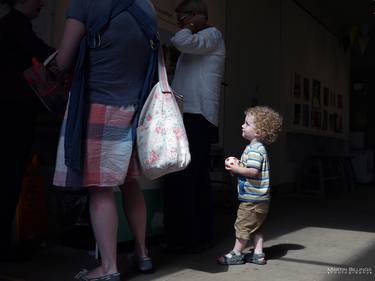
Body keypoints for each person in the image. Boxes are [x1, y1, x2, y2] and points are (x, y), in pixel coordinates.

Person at [52, 0, 158, 279]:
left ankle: (108, 267)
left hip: (98, 106)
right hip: (135, 109)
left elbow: (64, 60)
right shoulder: (146, 7)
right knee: (129, 182)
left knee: (99, 189)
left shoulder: (86, 4)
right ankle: (143, 252)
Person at [162, 0, 226, 253]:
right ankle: (197, 236)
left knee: (186, 177)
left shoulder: (212, 34)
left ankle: (186, 238)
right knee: (194, 177)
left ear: (198, 15)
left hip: (197, 116)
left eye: (184, 18)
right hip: (189, 115)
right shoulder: (202, 40)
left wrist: (187, 26)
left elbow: (182, 40)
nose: (180, 23)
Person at [0, 0, 55, 262]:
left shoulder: (10, 25)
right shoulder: (17, 26)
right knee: (9, 180)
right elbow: (49, 56)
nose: (42, 3)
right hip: (13, 116)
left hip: (10, 114)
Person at [217, 106, 282, 265]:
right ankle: (258, 254)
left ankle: (236, 253)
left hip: (251, 200)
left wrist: (236, 169)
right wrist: (240, 165)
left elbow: (253, 171)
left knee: (243, 226)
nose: (242, 125)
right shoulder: (258, 148)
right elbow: (251, 168)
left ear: (258, 132)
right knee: (256, 227)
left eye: (246, 124)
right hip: (261, 200)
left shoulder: (254, 149)